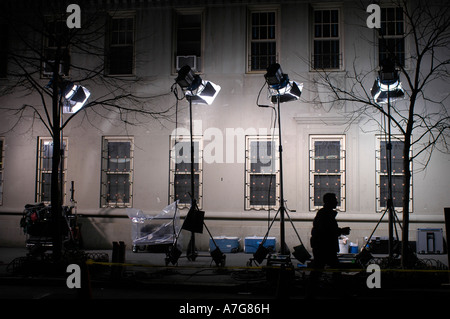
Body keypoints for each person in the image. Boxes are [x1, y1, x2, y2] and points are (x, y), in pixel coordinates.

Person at [310, 193, 350, 270]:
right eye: (335, 200)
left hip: (323, 246)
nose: (336, 202)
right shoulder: (326, 214)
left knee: (319, 268)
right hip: (325, 247)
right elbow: (328, 231)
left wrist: (340, 231)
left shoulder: (324, 213)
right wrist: (341, 231)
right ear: (329, 201)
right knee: (332, 267)